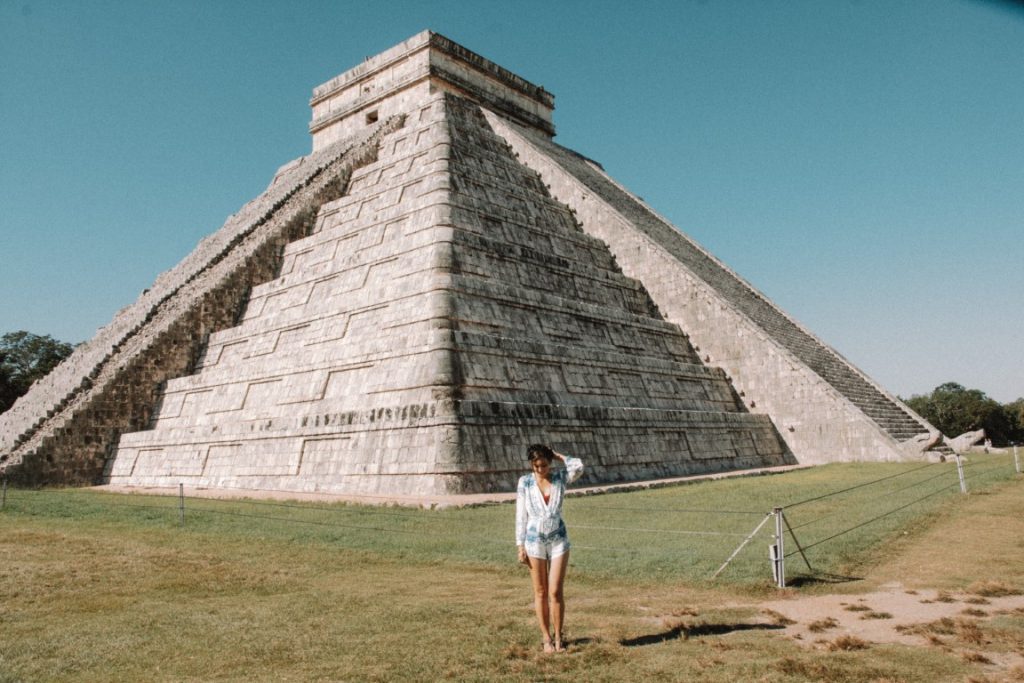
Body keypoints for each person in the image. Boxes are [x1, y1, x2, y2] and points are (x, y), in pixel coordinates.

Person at [515, 444, 584, 653]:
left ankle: (558, 638)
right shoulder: (525, 482)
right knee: (541, 591)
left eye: (544, 465)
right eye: (535, 466)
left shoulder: (560, 478)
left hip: (558, 541)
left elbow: (578, 467)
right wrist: (520, 545)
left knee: (555, 591)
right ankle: (546, 638)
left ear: (550, 463)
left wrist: (559, 455)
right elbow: (521, 515)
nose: (539, 469)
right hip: (534, 542)